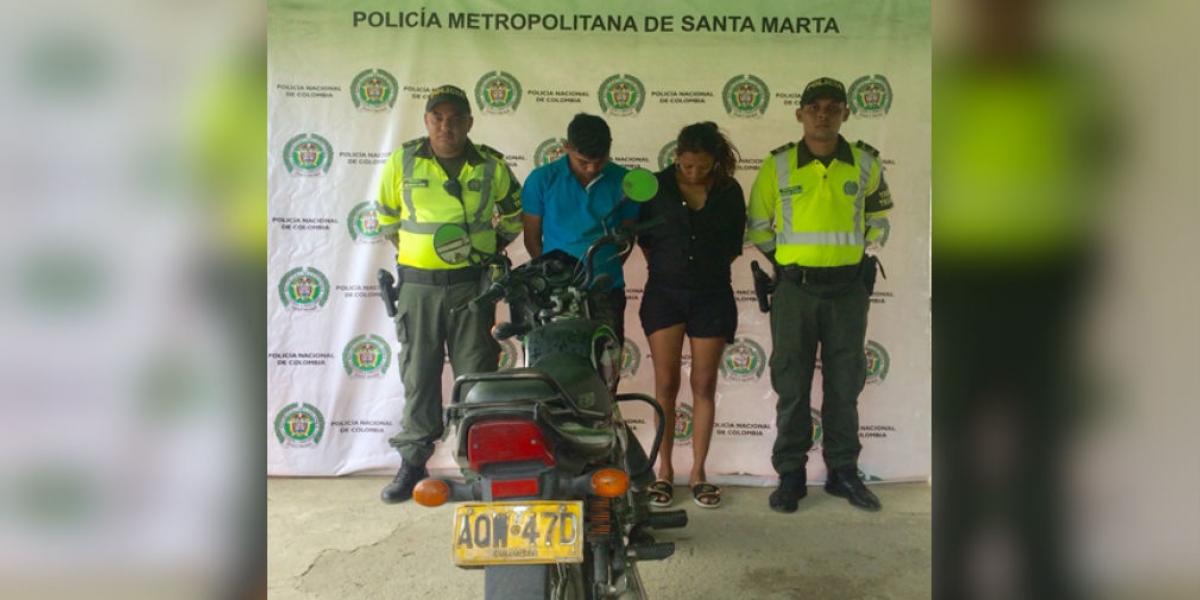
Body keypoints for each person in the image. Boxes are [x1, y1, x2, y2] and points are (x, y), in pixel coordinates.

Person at [747, 77, 894, 513]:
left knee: (845, 384)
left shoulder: (866, 163)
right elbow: (758, 227)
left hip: (848, 291)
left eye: (833, 107)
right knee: (791, 383)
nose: (824, 114)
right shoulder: (777, 166)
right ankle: (790, 474)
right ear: (800, 114)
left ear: (847, 113)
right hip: (796, 291)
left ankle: (843, 472)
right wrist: (789, 264)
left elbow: (880, 217)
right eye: (814, 107)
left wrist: (856, 252)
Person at [374, 84, 523, 503]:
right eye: (437, 117)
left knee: (476, 377)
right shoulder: (403, 159)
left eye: (456, 117)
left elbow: (514, 211)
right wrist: (409, 251)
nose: (446, 125)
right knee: (419, 375)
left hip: (470, 288)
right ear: (426, 121)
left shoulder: (490, 165)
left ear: (469, 122)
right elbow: (385, 213)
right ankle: (413, 464)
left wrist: (489, 249)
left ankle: (478, 467)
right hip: (418, 287)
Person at [636, 122, 746, 509]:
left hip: (712, 296)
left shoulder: (730, 192)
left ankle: (699, 473)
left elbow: (733, 246)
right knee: (665, 385)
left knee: (704, 384)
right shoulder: (655, 187)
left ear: (716, 161)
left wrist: (701, 271)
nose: (694, 173)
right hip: (664, 295)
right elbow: (645, 240)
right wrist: (673, 270)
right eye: (686, 166)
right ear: (676, 157)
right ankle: (664, 472)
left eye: (701, 167)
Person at [522, 113, 637, 343]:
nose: (593, 168)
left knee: (606, 364)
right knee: (556, 362)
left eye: (601, 160)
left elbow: (627, 237)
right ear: (566, 147)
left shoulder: (626, 181)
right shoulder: (541, 179)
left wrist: (603, 267)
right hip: (555, 292)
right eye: (583, 161)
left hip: (606, 289)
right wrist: (554, 274)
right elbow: (532, 237)